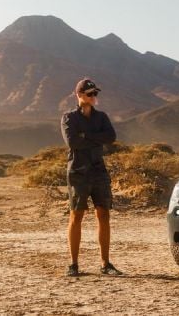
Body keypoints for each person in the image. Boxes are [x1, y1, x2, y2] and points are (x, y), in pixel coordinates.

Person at [61, 78, 122, 277]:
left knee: (104, 215)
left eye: (95, 93)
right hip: (78, 172)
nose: (94, 97)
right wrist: (95, 138)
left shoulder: (102, 117)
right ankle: (73, 264)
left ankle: (105, 264)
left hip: (98, 171)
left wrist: (85, 136)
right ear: (79, 95)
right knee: (76, 215)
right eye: (90, 94)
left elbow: (110, 137)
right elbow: (73, 142)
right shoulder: (68, 118)